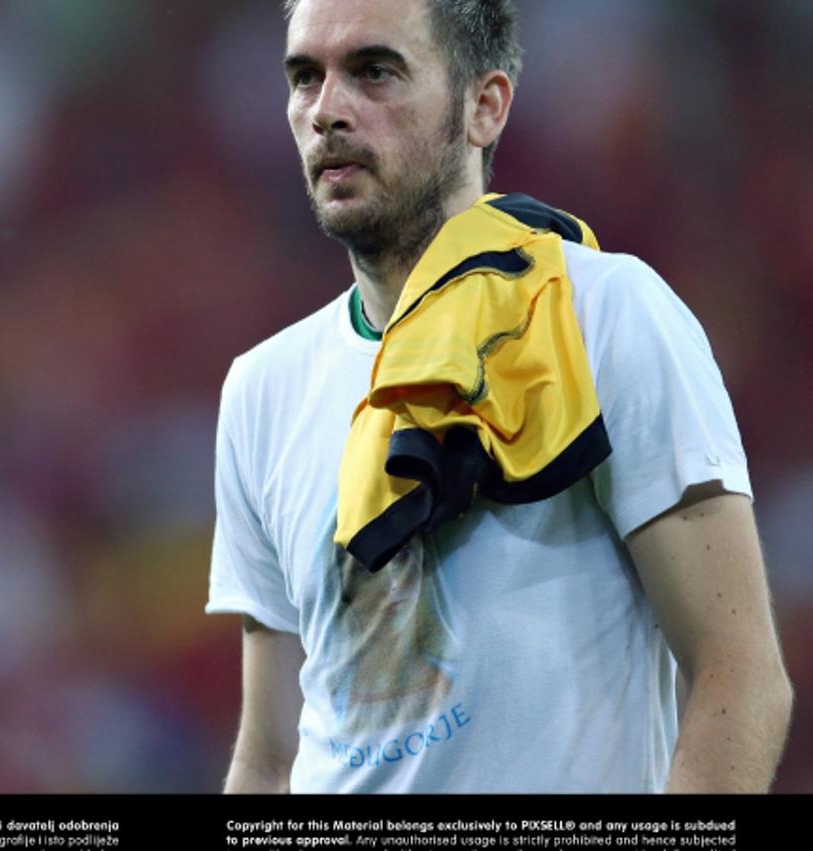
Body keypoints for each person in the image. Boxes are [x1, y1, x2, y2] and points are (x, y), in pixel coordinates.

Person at [205, 0, 793, 793]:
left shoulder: (605, 314)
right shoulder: (260, 387)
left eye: (374, 71)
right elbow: (269, 756)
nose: (326, 111)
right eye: (304, 77)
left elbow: (739, 672)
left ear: (485, 107)